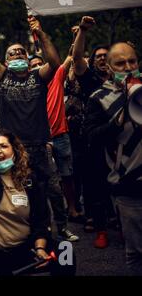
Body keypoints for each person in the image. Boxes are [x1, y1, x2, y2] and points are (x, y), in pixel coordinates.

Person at [0, 5, 61, 240]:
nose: (16, 56)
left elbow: (55, 63)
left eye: (21, 53)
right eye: (11, 54)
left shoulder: (38, 77)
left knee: (43, 195)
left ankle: (44, 237)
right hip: (13, 149)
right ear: (5, 61)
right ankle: (19, 238)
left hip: (38, 147)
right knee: (16, 195)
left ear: (28, 57)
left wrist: (41, 33)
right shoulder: (2, 77)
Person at [0, 130, 76, 276]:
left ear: (14, 150)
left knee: (65, 249)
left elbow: (41, 219)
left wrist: (40, 249)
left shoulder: (29, 180)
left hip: (24, 248)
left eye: (4, 146)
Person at [84, 42, 142, 274]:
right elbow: (92, 138)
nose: (128, 67)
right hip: (128, 185)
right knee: (136, 249)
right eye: (120, 63)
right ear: (109, 67)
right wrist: (118, 120)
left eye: (132, 61)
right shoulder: (98, 98)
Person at [73, 16, 117, 248]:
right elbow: (77, 58)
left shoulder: (124, 82)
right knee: (97, 188)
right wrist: (82, 30)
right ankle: (102, 230)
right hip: (95, 143)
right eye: (98, 56)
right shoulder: (90, 80)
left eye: (105, 56)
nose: (101, 59)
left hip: (121, 144)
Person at [29, 54, 80, 242]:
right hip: (39, 144)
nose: (36, 67)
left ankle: (65, 223)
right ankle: (43, 231)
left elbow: (70, 57)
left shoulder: (56, 77)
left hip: (57, 137)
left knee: (61, 183)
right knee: (41, 189)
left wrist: (79, 34)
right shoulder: (29, 87)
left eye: (38, 64)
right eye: (32, 65)